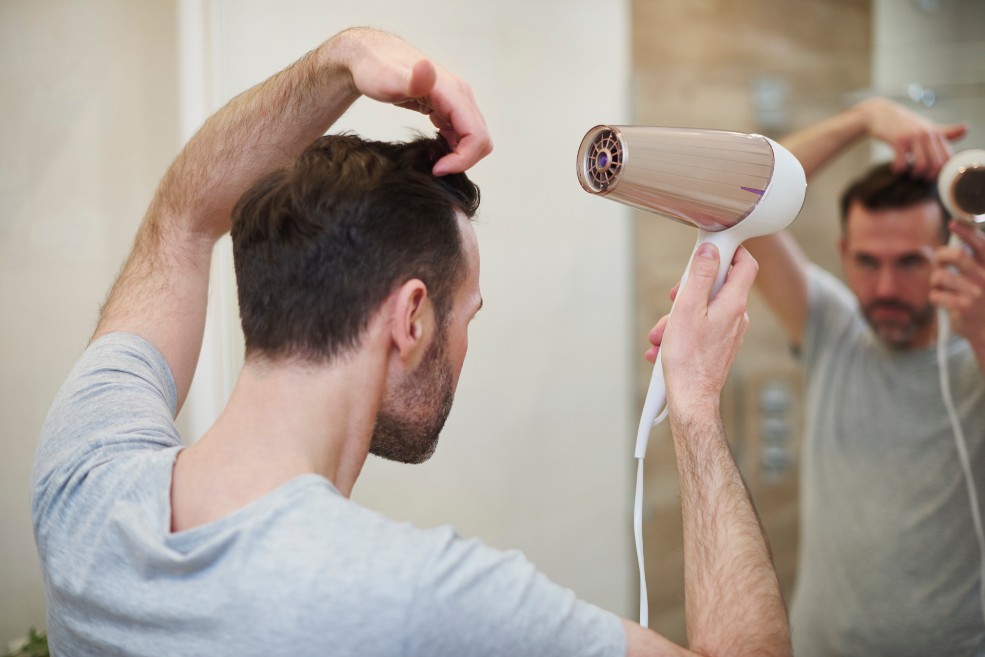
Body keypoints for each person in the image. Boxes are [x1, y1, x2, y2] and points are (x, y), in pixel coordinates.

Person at [31, 27, 790, 656]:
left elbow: (185, 215)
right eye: (469, 317)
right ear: (412, 319)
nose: (465, 345)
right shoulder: (416, 600)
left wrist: (341, 59)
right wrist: (692, 405)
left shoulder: (85, 476)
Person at [742, 97, 985, 655]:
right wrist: (861, 118)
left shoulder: (972, 354)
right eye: (868, 263)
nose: (884, 290)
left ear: (949, 252)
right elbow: (738, 197)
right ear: (844, 252)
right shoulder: (835, 328)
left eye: (909, 263)